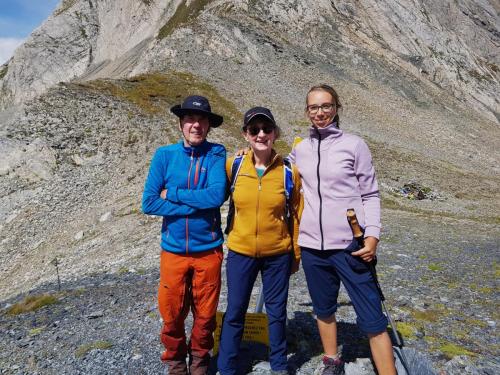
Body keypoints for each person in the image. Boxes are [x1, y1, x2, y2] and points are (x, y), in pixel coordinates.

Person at [288, 84, 396, 375]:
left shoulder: (354, 145)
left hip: (351, 245)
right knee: (323, 309)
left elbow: (370, 194)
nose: (320, 112)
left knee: (372, 318)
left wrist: (372, 236)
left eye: (326, 106)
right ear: (306, 111)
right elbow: (280, 173)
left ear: (336, 108)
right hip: (312, 247)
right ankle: (331, 360)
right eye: (314, 107)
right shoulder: (300, 149)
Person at [142, 95, 227, 375]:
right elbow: (150, 203)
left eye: (202, 119)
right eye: (190, 119)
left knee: (205, 316)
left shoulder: (216, 153)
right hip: (173, 251)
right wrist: (197, 203)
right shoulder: (164, 155)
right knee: (172, 314)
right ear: (181, 124)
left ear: (208, 125)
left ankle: (201, 360)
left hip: (208, 250)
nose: (196, 124)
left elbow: (216, 196)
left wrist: (174, 195)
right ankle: (176, 362)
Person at [217, 107, 303, 375]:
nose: (261, 134)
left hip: (278, 253)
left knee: (277, 312)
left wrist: (296, 254)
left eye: (267, 129)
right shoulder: (234, 165)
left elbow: (297, 215)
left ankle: (279, 366)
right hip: (241, 251)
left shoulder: (290, 171)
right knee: (235, 311)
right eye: (254, 130)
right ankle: (226, 367)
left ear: (275, 133)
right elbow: (213, 194)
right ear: (245, 135)